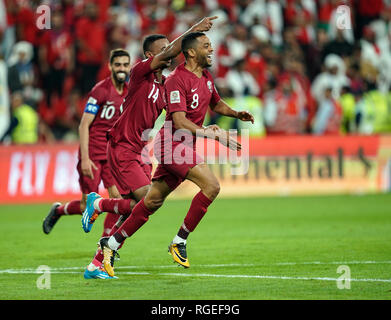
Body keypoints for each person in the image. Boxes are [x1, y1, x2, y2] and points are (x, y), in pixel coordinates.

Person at [94, 31, 254, 277]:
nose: (211, 50)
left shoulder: (207, 77)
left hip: (183, 146)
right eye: (206, 45)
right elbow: (179, 122)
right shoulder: (176, 80)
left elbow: (216, 103)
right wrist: (211, 134)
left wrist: (235, 113)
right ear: (191, 52)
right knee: (211, 186)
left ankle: (111, 243)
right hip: (170, 144)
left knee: (151, 202)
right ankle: (179, 241)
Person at [81, 17, 219, 279]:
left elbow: (179, 114)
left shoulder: (166, 84)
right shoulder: (140, 72)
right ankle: (98, 204)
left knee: (149, 204)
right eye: (164, 48)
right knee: (145, 200)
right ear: (149, 55)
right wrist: (193, 30)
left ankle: (96, 263)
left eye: (170, 47)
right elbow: (170, 53)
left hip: (142, 150)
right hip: (122, 146)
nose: (169, 52)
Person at [42, 49, 131, 278]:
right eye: (118, 65)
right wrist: (85, 157)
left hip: (112, 155)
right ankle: (59, 210)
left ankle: (104, 249)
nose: (122, 69)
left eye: (125, 65)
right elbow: (84, 125)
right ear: (110, 67)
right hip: (92, 154)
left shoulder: (129, 92)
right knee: (87, 206)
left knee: (117, 201)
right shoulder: (100, 91)